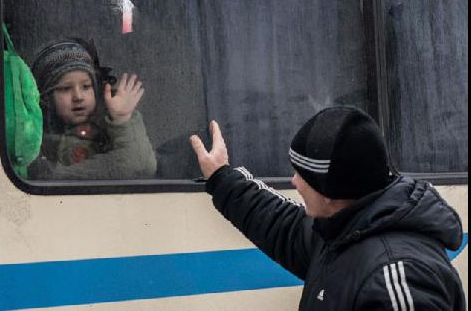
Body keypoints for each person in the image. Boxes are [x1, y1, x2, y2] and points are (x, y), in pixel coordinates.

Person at [189, 106, 466, 311]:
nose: (294, 182)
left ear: (332, 193)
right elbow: (280, 225)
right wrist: (221, 177)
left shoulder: (397, 279)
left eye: (302, 176)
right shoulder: (341, 228)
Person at [27, 38, 156, 180]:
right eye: (65, 88)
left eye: (86, 86)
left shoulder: (109, 132)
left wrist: (122, 119)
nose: (78, 96)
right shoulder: (34, 138)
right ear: (47, 98)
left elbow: (140, 166)